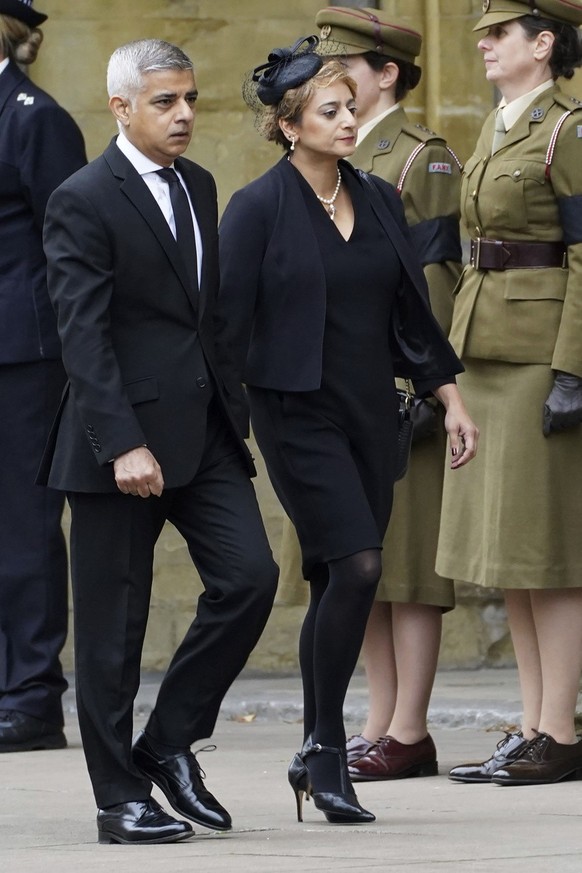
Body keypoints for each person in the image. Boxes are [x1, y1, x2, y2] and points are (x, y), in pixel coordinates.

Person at [218, 36, 478, 824]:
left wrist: (451, 397)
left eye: (348, 106)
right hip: (295, 413)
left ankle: (317, 751)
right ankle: (326, 746)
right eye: (328, 111)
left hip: (370, 410)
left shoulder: (379, 197)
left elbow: (410, 314)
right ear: (290, 125)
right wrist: (217, 431)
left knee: (339, 578)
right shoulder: (257, 208)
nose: (348, 119)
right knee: (361, 565)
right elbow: (225, 329)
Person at [39, 38, 278, 845]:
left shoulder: (200, 183)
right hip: (119, 443)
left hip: (203, 432)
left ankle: (168, 739)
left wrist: (232, 406)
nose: (183, 114)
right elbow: (85, 334)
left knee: (250, 577)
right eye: (165, 101)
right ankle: (119, 799)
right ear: (121, 108)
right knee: (112, 630)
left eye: (189, 99)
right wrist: (123, 443)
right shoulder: (82, 197)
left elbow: (199, 315)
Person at [276, 6, 464, 783]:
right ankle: (380, 718)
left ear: (385, 73)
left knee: (410, 565)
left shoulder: (421, 156)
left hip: (399, 391)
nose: (332, 75)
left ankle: (409, 723)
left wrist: (427, 386)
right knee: (364, 566)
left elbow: (439, 278)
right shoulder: (329, 153)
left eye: (345, 62)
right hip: (344, 392)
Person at [436, 0, 582, 786]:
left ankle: (559, 729)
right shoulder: (501, 123)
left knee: (550, 555)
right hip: (486, 350)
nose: (486, 46)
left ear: (544, 42)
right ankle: (531, 723)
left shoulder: (570, 127)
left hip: (538, 357)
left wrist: (574, 367)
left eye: (499, 34)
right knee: (513, 555)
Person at [0, 0, 86, 753]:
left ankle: (32, 696)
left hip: (23, 352)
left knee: (23, 526)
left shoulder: (34, 117)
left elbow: (72, 246)